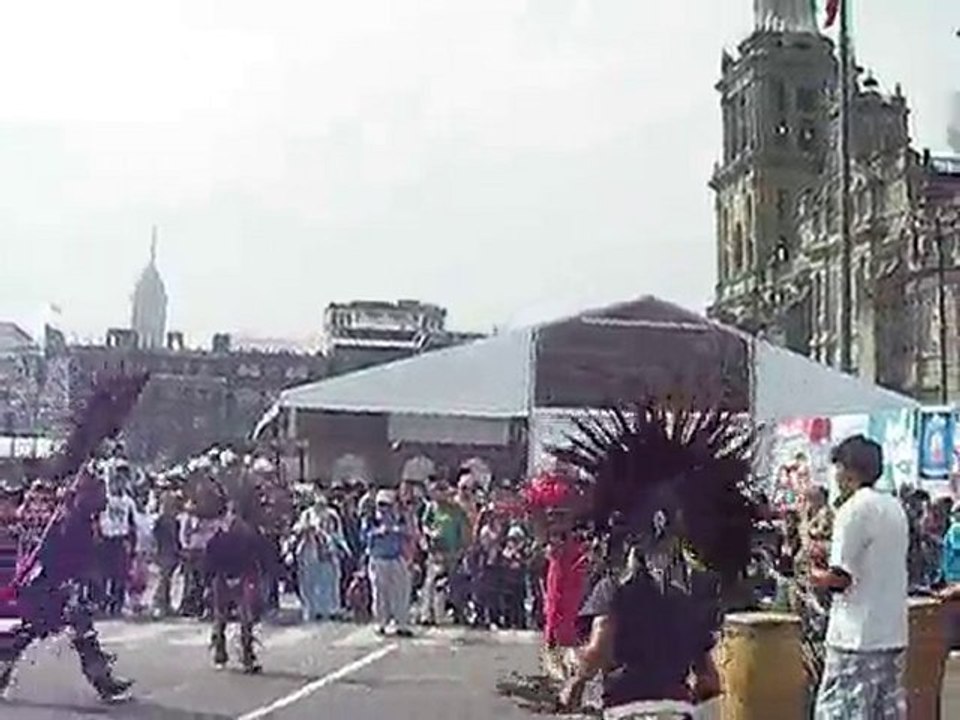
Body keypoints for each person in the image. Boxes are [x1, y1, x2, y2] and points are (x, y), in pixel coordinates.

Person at [552, 404, 755, 718]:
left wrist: (573, 682)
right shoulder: (692, 594)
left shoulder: (614, 587)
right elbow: (709, 680)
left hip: (626, 710)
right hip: (678, 709)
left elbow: (598, 652)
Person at [0, 466, 133, 702]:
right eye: (97, 494)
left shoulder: (81, 520)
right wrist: (65, 584)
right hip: (45, 586)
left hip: (61, 585)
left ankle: (102, 679)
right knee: (27, 632)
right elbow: (49, 556)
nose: (103, 500)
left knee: (81, 631)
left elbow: (87, 558)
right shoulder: (65, 522)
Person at [810, 435, 909, 720]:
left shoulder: (852, 510)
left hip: (855, 638)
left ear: (849, 470)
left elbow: (840, 578)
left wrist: (815, 575)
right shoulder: (894, 507)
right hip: (891, 633)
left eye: (838, 467)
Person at [205, 487, 274, 674]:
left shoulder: (242, 532)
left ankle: (239, 654)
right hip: (231, 576)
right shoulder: (236, 532)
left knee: (237, 618)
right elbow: (212, 555)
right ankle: (230, 653)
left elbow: (258, 555)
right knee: (231, 617)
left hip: (235, 576)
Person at [362, 489, 413, 637]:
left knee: (400, 593)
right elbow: (364, 536)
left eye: (387, 505)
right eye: (381, 505)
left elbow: (409, 533)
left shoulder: (400, 517)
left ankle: (401, 623)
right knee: (379, 593)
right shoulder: (371, 519)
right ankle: (380, 622)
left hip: (396, 558)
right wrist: (379, 532)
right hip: (378, 559)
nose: (384, 508)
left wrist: (396, 530)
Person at [294, 493, 350, 621]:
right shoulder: (307, 515)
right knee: (309, 582)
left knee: (329, 581)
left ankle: (331, 609)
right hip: (309, 552)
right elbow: (297, 529)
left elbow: (338, 534)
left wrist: (342, 548)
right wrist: (306, 529)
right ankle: (311, 609)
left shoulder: (332, 515)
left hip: (328, 552)